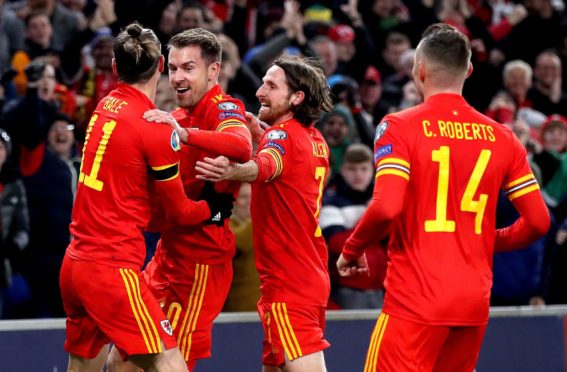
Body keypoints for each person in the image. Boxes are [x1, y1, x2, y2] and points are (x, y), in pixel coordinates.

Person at [336, 23, 550, 371]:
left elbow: (387, 206)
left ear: (419, 69)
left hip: (416, 300)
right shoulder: (503, 137)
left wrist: (352, 249)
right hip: (473, 304)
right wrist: (483, 240)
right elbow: (538, 222)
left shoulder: (399, 126)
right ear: (468, 70)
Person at [59, 23, 234, 372]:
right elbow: (181, 212)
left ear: (114, 68)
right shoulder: (154, 126)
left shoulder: (104, 106)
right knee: (167, 360)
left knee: (84, 364)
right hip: (112, 266)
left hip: (75, 263)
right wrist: (212, 208)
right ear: (160, 67)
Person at [106, 27, 252, 371]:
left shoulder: (222, 107)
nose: (178, 77)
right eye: (172, 68)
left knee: (168, 363)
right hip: (165, 257)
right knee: (119, 362)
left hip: (200, 265)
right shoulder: (176, 118)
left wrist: (185, 134)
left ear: (213, 71)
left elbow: (242, 145)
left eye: (189, 68)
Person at [195, 55, 333, 372]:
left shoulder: (281, 136)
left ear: (296, 97)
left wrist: (231, 170)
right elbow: (283, 170)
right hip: (303, 272)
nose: (259, 92)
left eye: (271, 86)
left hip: (289, 281)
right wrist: (261, 139)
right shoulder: (315, 140)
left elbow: (265, 167)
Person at [320, 143, 387, 310]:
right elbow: (337, 245)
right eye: (352, 169)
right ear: (342, 169)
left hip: (382, 288)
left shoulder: (379, 196)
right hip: (348, 290)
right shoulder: (330, 200)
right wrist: (371, 216)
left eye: (363, 169)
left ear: (372, 170)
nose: (358, 175)